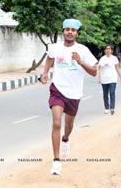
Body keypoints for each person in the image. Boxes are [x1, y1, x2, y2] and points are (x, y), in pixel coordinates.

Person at [39, 18, 98, 175]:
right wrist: (45, 73)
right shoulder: (55, 47)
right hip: (57, 89)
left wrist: (80, 62)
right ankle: (56, 161)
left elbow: (94, 72)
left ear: (77, 33)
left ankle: (65, 139)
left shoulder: (83, 50)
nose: (70, 32)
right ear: (63, 32)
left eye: (73, 30)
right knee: (57, 123)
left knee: (68, 125)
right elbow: (50, 57)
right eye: (67, 29)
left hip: (74, 94)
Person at [98, 44, 121, 115]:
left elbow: (117, 68)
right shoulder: (102, 59)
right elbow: (100, 69)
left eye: (109, 49)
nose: (108, 50)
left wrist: (120, 77)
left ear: (111, 50)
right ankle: (106, 108)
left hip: (113, 79)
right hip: (104, 79)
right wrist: (99, 78)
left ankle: (112, 107)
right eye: (107, 49)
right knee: (105, 94)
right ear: (104, 50)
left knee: (112, 93)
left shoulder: (114, 58)